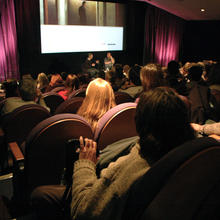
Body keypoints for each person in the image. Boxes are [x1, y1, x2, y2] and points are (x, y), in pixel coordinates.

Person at [30, 87, 195, 220]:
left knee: (40, 194)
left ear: (139, 124)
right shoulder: (195, 152)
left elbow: (83, 212)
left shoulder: (130, 168)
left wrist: (85, 164)